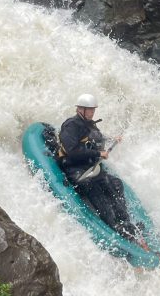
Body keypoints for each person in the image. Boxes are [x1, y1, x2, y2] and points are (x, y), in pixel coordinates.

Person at [58, 93, 138, 241]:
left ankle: (125, 220)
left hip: (89, 165)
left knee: (114, 184)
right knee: (92, 185)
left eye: (93, 110)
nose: (92, 112)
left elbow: (97, 138)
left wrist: (111, 138)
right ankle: (114, 225)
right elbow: (72, 152)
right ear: (80, 109)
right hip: (73, 167)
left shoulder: (89, 124)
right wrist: (98, 153)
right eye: (89, 110)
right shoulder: (71, 126)